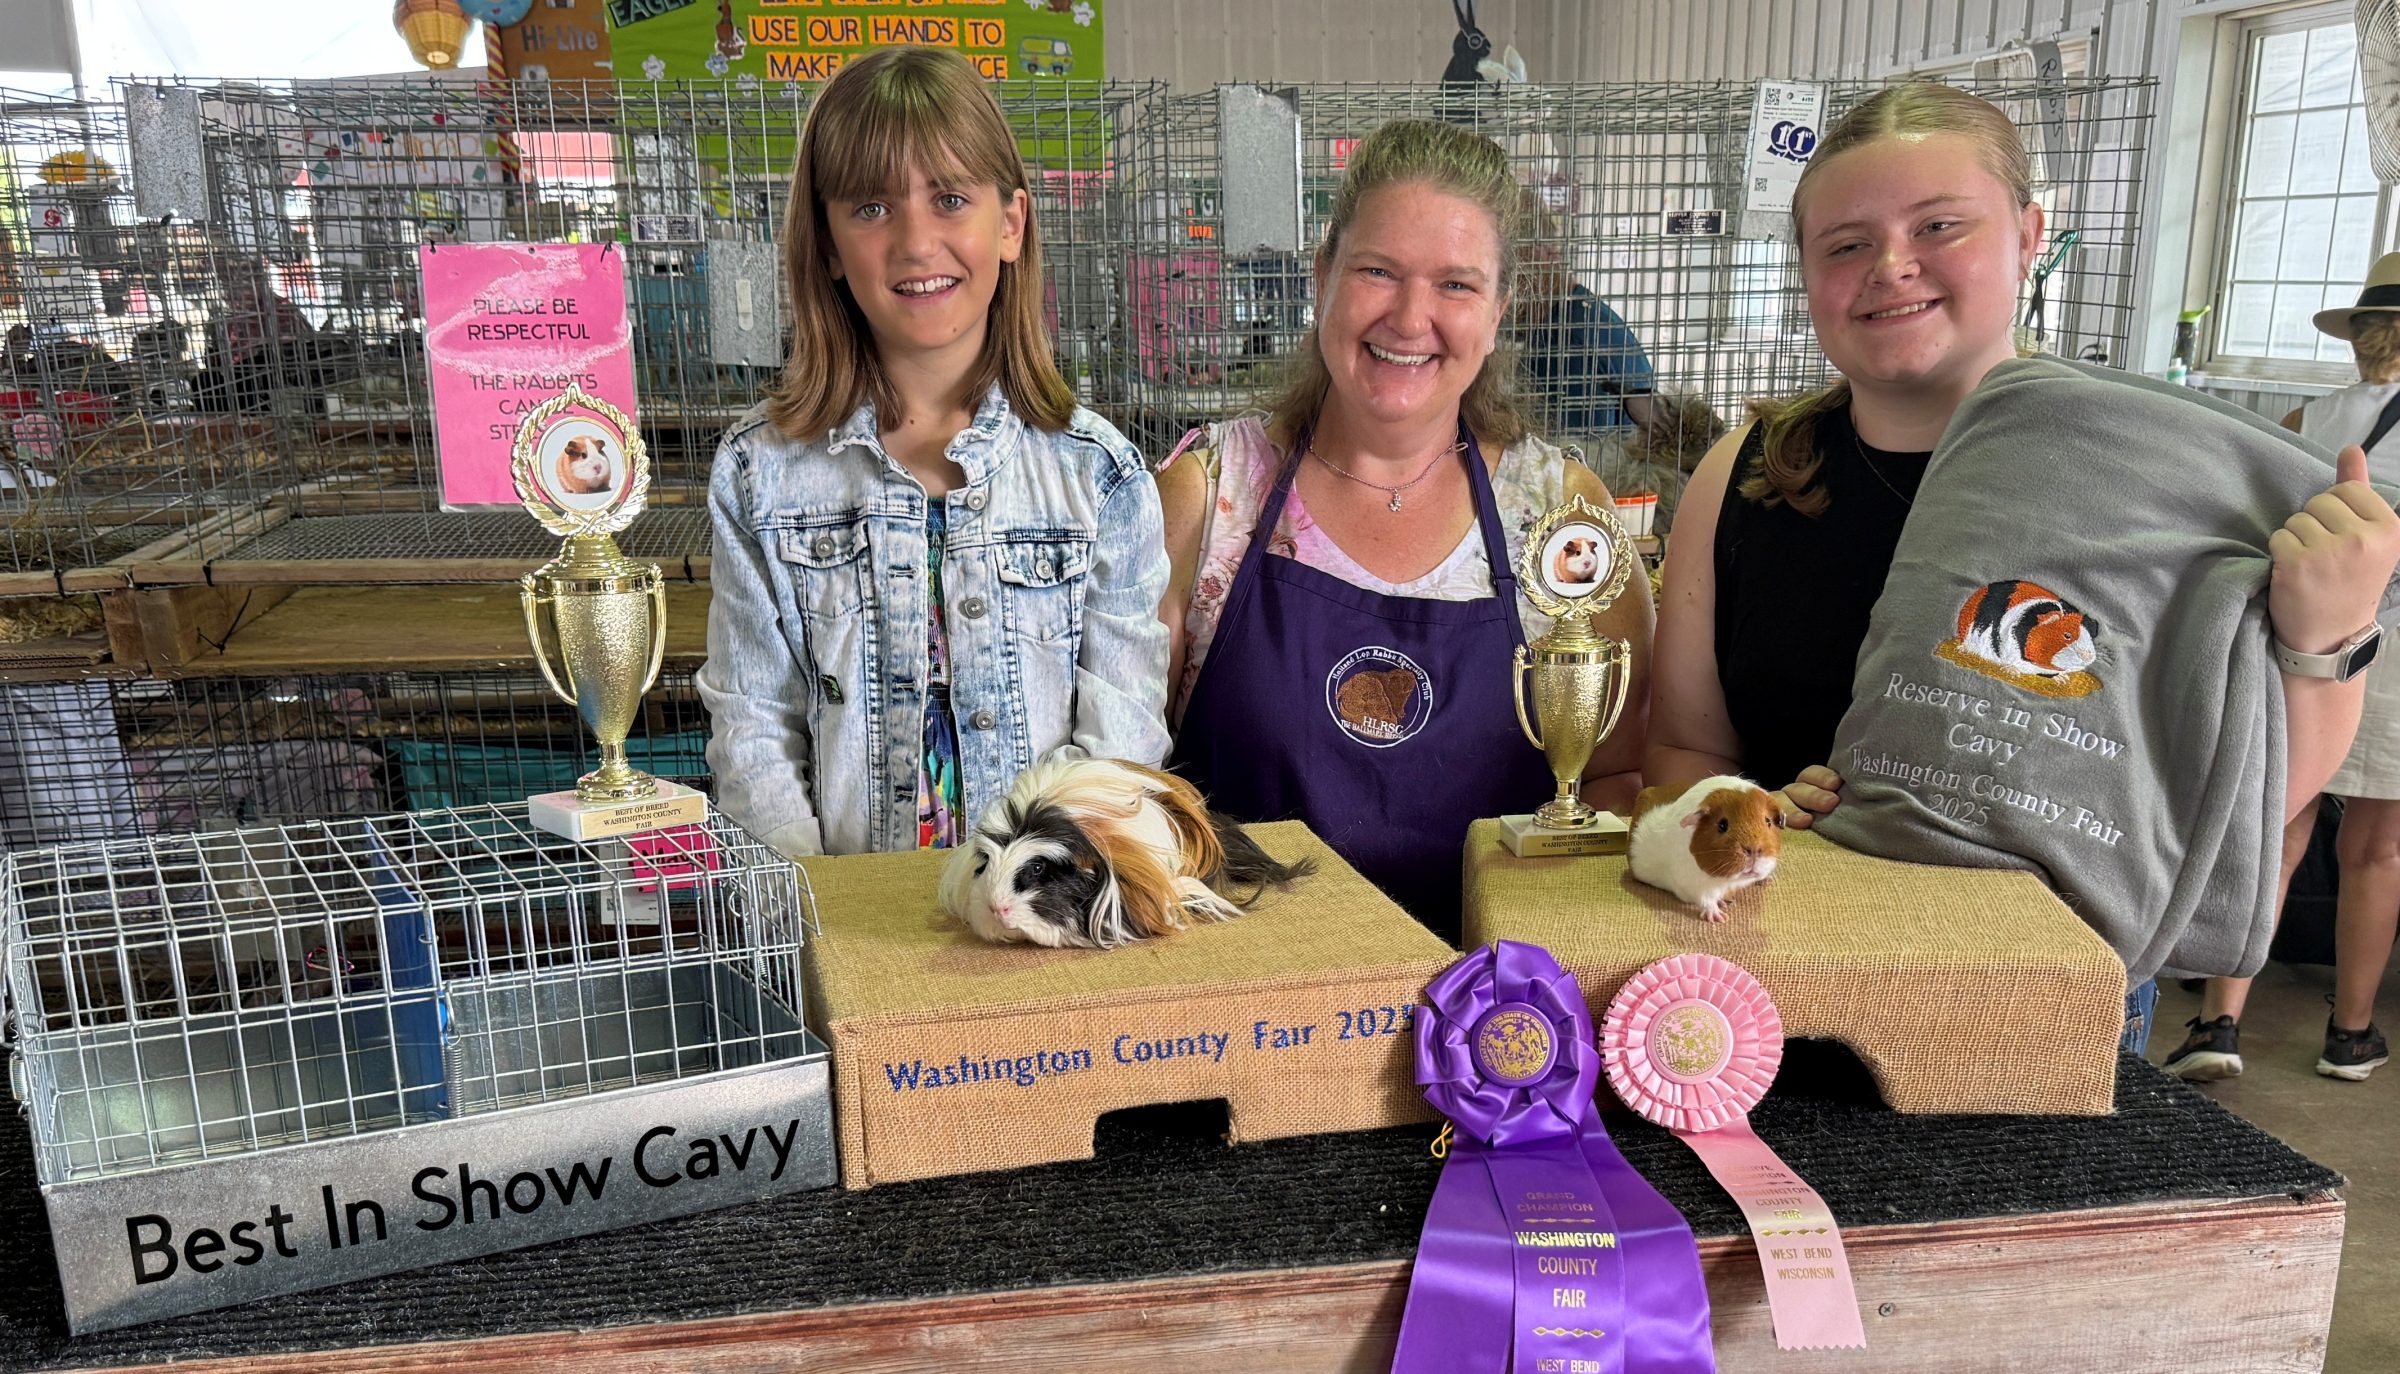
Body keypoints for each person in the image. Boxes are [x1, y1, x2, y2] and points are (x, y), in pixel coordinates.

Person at [1644, 84, 2400, 1055]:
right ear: (1805, 270)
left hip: (2055, 990)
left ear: (2029, 232)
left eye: (1938, 225)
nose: (1891, 267)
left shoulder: (2151, 474)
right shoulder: (1744, 475)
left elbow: (2248, 799)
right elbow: (1685, 751)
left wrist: (2323, 634)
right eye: (1845, 244)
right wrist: (1734, 817)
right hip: (1780, 976)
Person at [1157, 118, 1654, 943]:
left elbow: (1616, 777)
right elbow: (1125, 779)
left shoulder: (1560, 514)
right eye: (1378, 272)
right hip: (1241, 1011)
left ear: (1498, 312)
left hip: (1490, 1028)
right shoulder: (1209, 498)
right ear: (1324, 279)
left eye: (1456, 285)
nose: (1410, 316)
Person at [699, 47, 1171, 858]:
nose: (918, 242)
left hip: (1040, 927)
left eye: (950, 199)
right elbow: (752, 727)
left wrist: (1028, 901)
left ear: (1011, 224)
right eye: (872, 208)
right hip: (843, 922)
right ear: (828, 246)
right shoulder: (759, 474)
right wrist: (826, 926)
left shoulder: (1101, 475)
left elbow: (1120, 747)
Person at [2166, 258, 2400, 1083]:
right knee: (2377, 849)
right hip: (2397, 653)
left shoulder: (2310, 416)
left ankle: (2218, 1021)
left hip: (2307, 640)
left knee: (2280, 827)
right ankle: (2352, 1034)